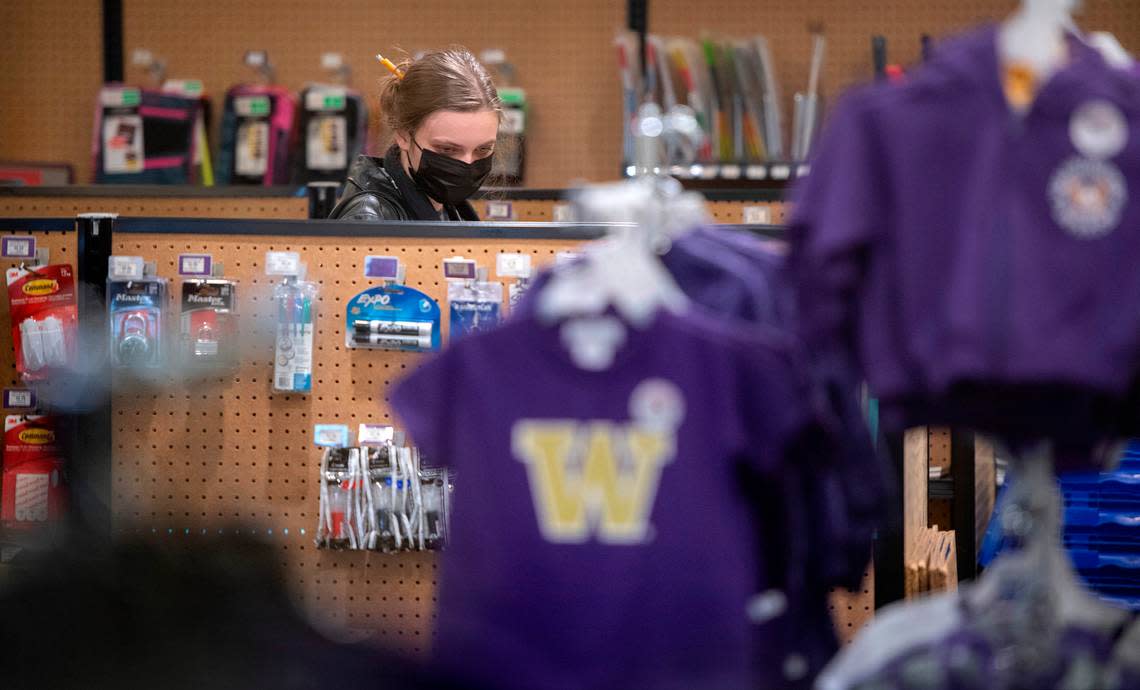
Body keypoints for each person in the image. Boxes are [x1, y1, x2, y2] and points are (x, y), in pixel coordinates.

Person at [329, 48, 501, 222]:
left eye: (483, 149)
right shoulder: (368, 218)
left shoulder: (451, 207)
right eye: (447, 149)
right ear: (404, 135)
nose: (467, 164)